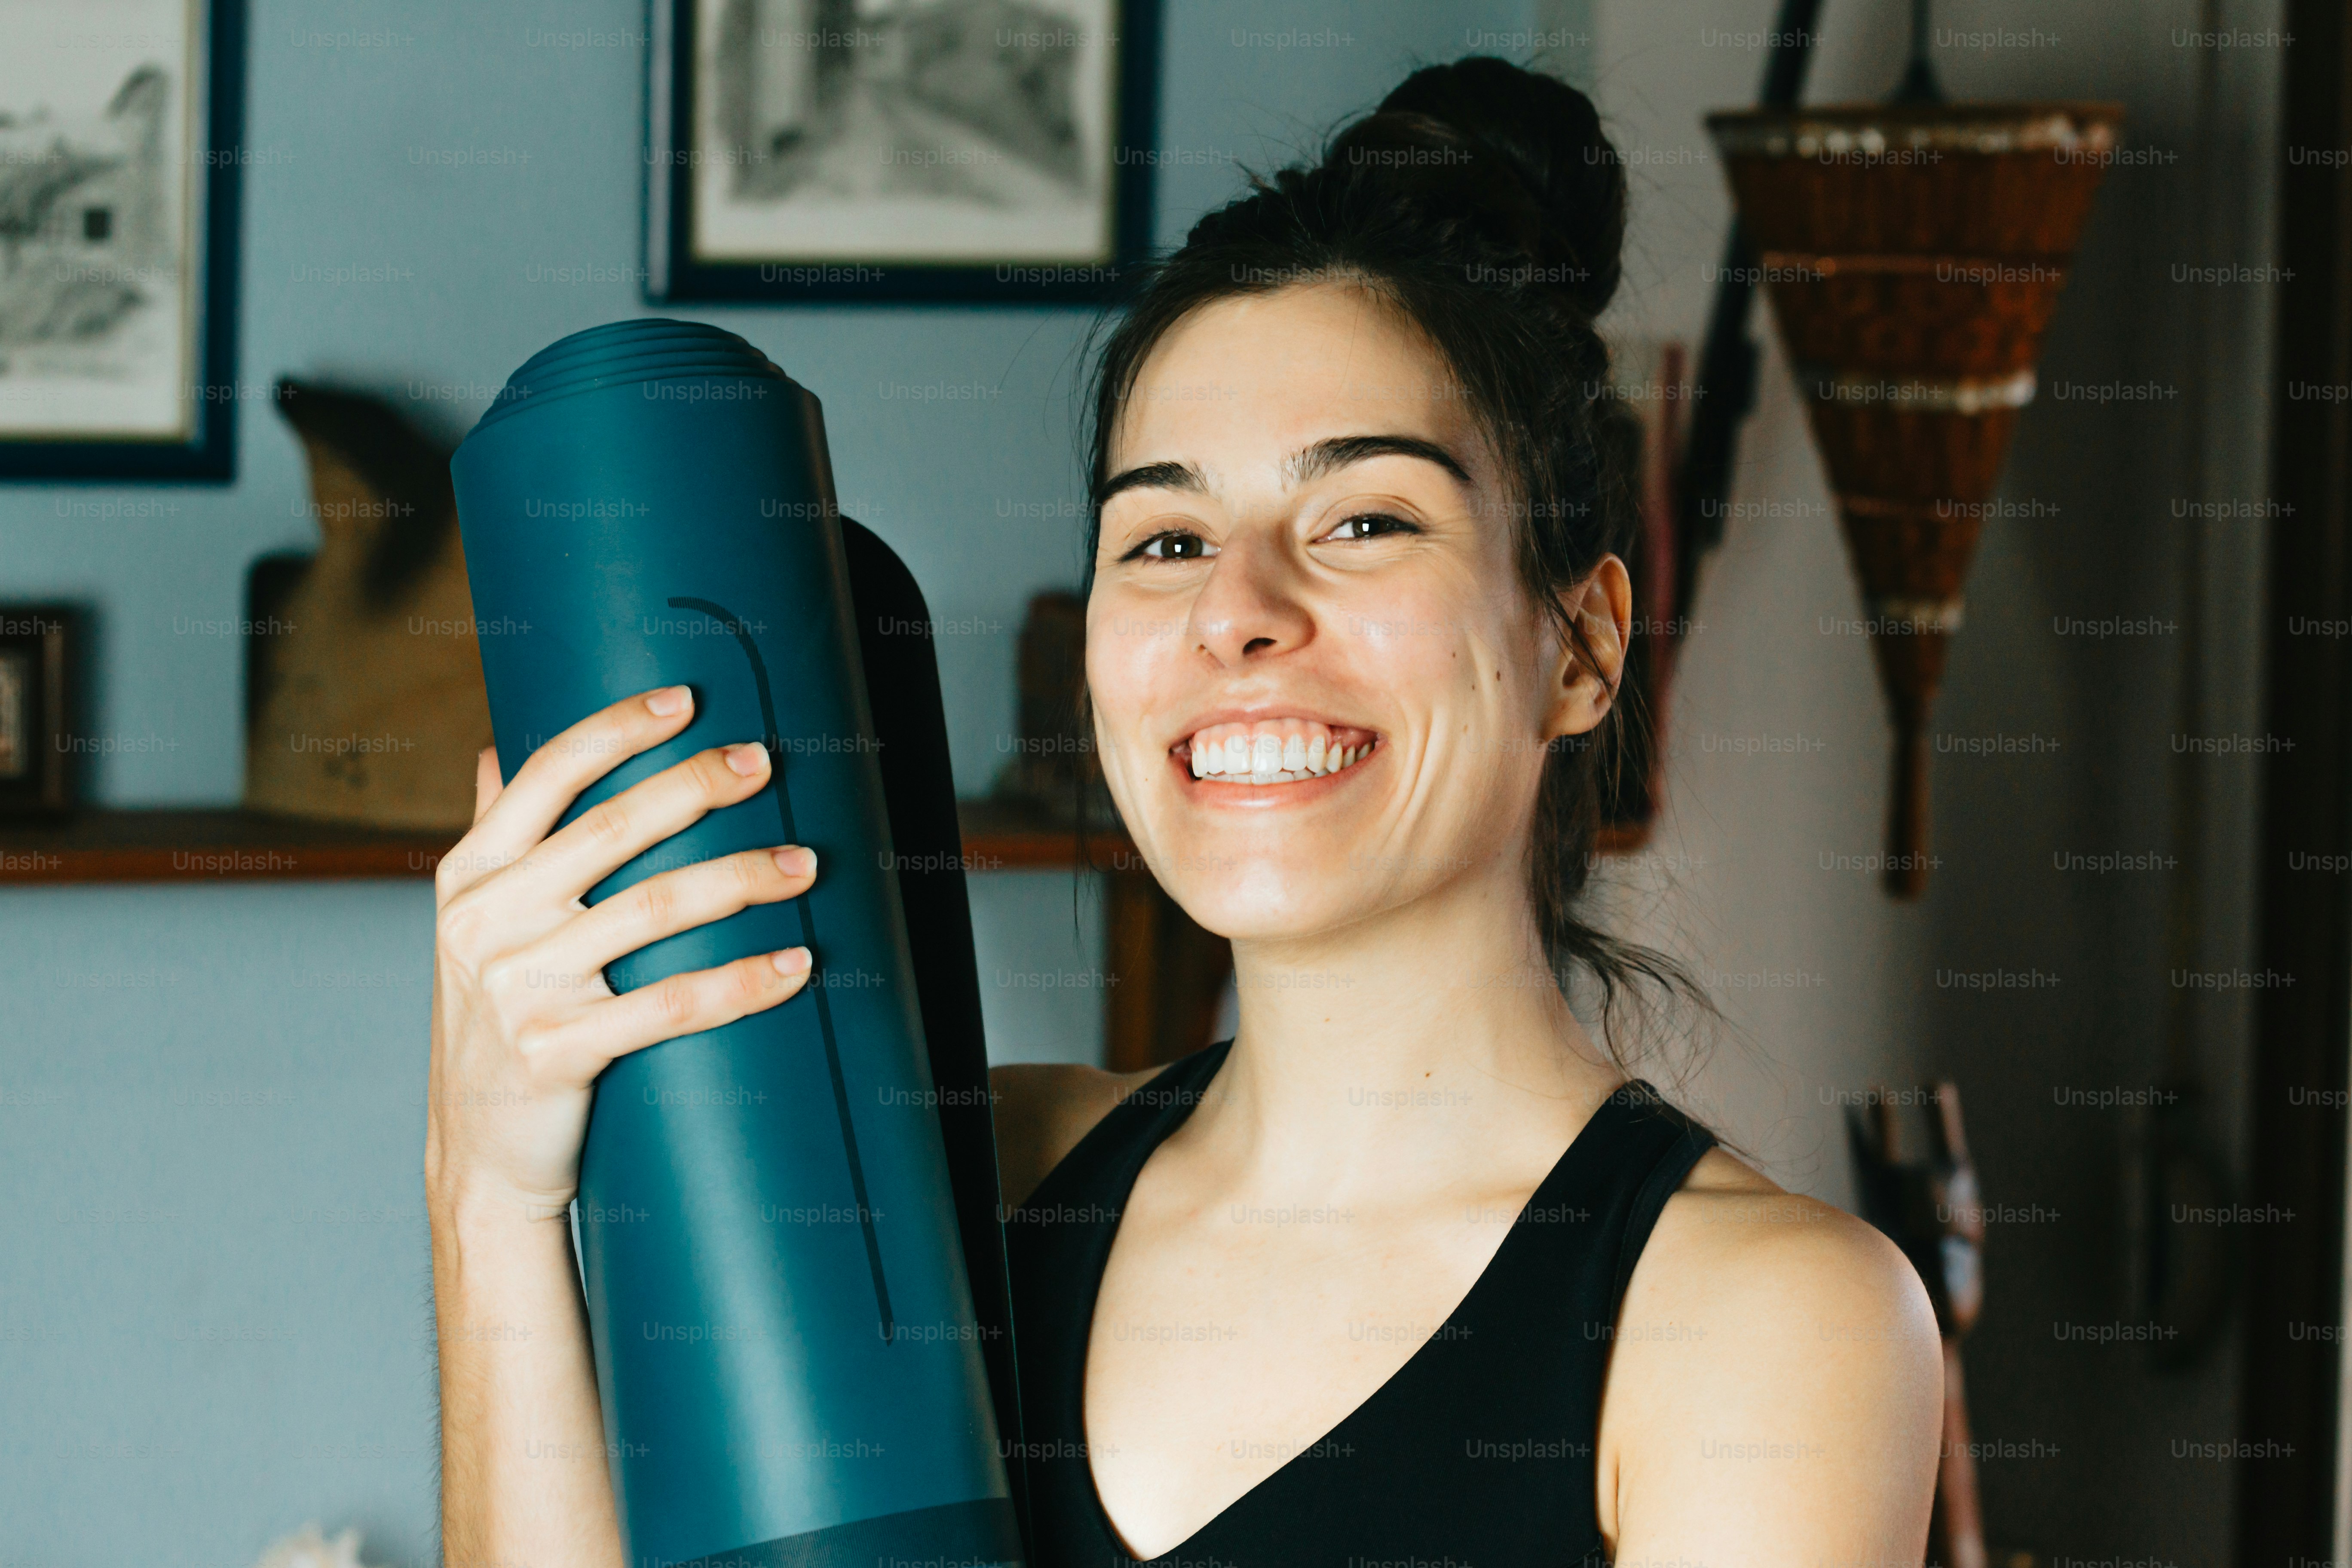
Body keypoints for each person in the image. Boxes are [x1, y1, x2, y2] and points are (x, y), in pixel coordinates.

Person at [427, 55, 1941, 1568]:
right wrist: (488, 1195)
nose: (1239, 611)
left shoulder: (1763, 1327)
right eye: (1162, 537)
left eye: (1364, 520)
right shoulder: (974, 1173)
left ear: (1584, 646)